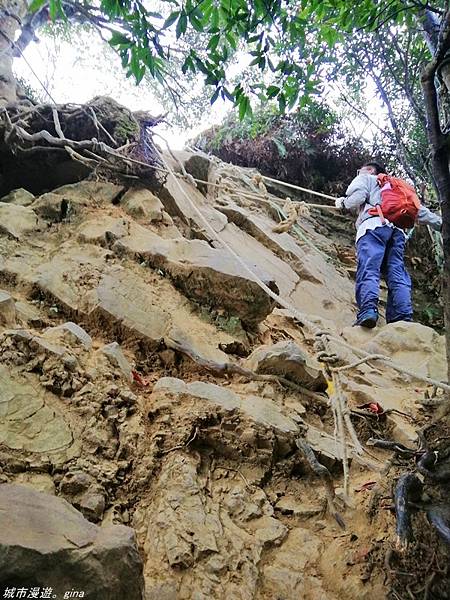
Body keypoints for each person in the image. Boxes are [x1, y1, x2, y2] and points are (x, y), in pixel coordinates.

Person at [335, 162, 442, 328]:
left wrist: (342, 203)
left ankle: (368, 311)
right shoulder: (398, 189)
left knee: (369, 267)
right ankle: (402, 319)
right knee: (397, 273)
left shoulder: (366, 178)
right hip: (397, 232)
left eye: (360, 170)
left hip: (373, 227)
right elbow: (420, 212)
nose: (358, 173)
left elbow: (357, 198)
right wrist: (441, 224)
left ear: (370, 170)